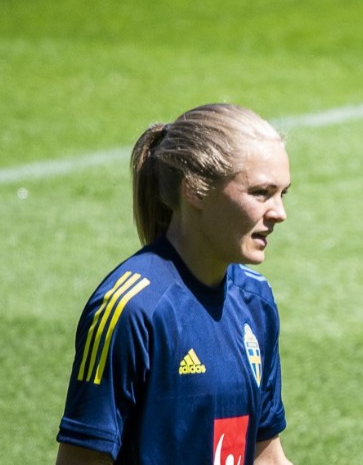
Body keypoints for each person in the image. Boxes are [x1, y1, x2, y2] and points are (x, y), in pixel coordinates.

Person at [56, 103, 294, 465]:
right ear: (196, 190)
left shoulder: (255, 301)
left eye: (282, 194)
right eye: (261, 192)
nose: (279, 212)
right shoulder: (131, 310)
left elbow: (266, 456)